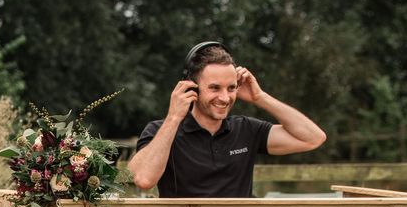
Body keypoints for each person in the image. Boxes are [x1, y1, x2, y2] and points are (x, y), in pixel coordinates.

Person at [128, 41, 326, 197]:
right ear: (192, 87)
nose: (224, 98)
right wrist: (173, 118)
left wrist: (260, 97)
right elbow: (143, 179)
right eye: (214, 88)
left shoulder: (247, 129)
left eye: (231, 88)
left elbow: (313, 138)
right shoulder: (160, 131)